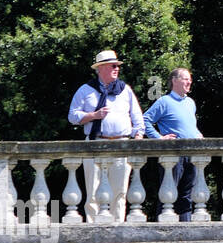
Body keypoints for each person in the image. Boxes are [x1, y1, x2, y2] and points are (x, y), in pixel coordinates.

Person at [67, 49, 145, 221]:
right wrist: (93, 115)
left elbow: (138, 119)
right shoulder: (86, 90)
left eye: (117, 66)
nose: (117, 69)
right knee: (94, 191)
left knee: (120, 191)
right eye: (113, 66)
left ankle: (118, 226)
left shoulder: (125, 90)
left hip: (121, 146)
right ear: (101, 68)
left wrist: (137, 138)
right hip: (95, 144)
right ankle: (94, 228)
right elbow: (72, 116)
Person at [142, 67, 200, 221]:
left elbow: (187, 125)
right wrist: (158, 138)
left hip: (192, 153)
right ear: (175, 81)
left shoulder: (190, 102)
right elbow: (145, 120)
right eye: (185, 79)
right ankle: (164, 231)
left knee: (187, 194)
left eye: (190, 79)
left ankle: (186, 231)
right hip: (173, 154)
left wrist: (197, 133)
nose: (189, 82)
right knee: (169, 193)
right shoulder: (164, 101)